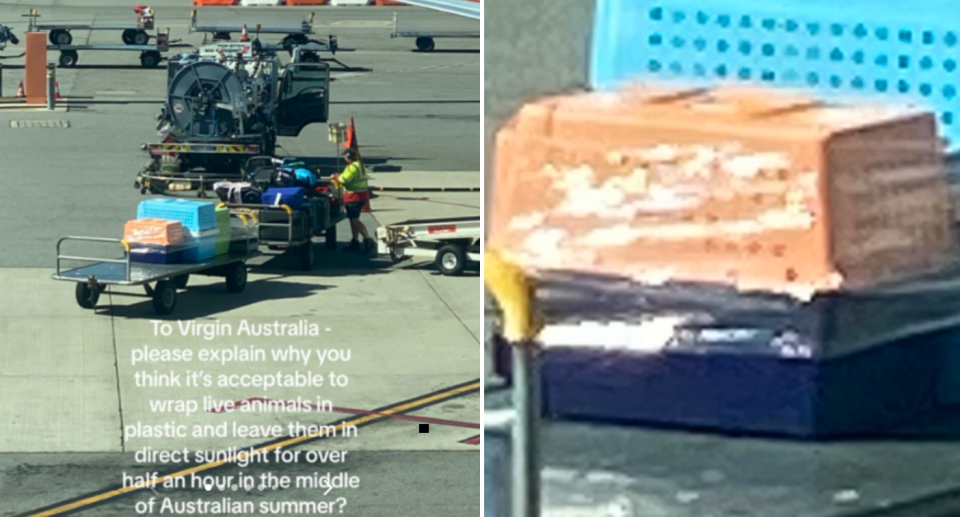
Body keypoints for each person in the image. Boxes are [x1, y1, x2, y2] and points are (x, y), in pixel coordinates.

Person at [335, 148, 373, 253]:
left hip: (353, 197)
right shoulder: (360, 165)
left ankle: (367, 239)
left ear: (348, 158)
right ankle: (355, 241)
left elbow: (344, 180)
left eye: (345, 157)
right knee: (353, 219)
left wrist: (336, 176)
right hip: (362, 196)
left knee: (354, 220)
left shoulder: (352, 167)